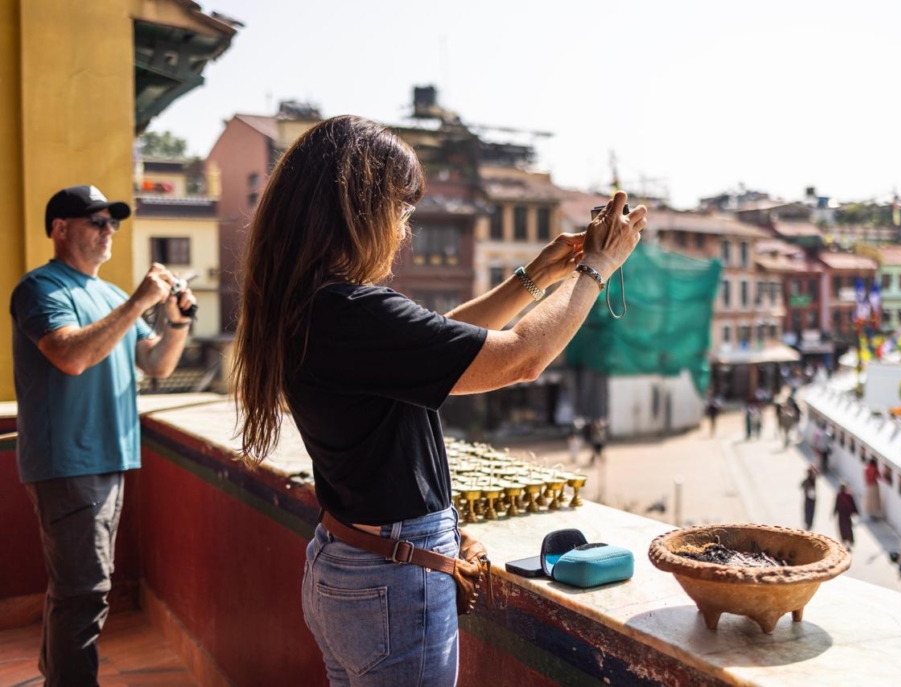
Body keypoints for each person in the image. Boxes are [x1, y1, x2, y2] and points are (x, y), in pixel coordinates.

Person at [231, 116, 647, 686]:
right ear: (357, 209)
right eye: (400, 212)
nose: (404, 233)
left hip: (344, 564)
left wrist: (536, 277)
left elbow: (438, 347)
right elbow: (521, 357)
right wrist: (597, 270)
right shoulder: (350, 311)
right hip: (389, 582)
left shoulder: (316, 307)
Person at [10, 185, 195, 685]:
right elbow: (69, 356)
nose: (108, 229)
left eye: (112, 221)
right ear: (60, 228)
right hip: (67, 462)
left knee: (74, 589)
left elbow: (155, 363)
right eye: (96, 220)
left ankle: (57, 676)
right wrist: (140, 301)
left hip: (111, 459)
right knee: (85, 592)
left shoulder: (110, 295)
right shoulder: (41, 288)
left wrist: (177, 321)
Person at [833, 482, 860, 551]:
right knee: (846, 529)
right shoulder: (844, 495)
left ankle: (847, 543)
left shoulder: (845, 495)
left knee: (845, 529)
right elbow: (837, 505)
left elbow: (837, 505)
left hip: (844, 515)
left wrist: (834, 513)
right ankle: (846, 543)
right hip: (845, 515)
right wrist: (856, 512)